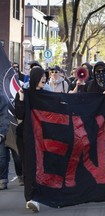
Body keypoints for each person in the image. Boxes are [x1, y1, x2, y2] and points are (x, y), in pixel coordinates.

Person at [15, 67, 49, 213]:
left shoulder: (46, 95)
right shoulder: (24, 93)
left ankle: (39, 194)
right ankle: (31, 198)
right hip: (26, 136)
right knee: (29, 166)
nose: (44, 78)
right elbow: (20, 114)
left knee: (41, 166)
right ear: (35, 77)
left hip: (42, 137)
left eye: (45, 76)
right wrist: (21, 99)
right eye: (41, 76)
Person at [0, 93, 9, 190]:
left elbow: (4, 115)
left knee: (1, 158)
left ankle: (2, 179)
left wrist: (1, 133)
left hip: (0, 129)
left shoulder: (1, 97)